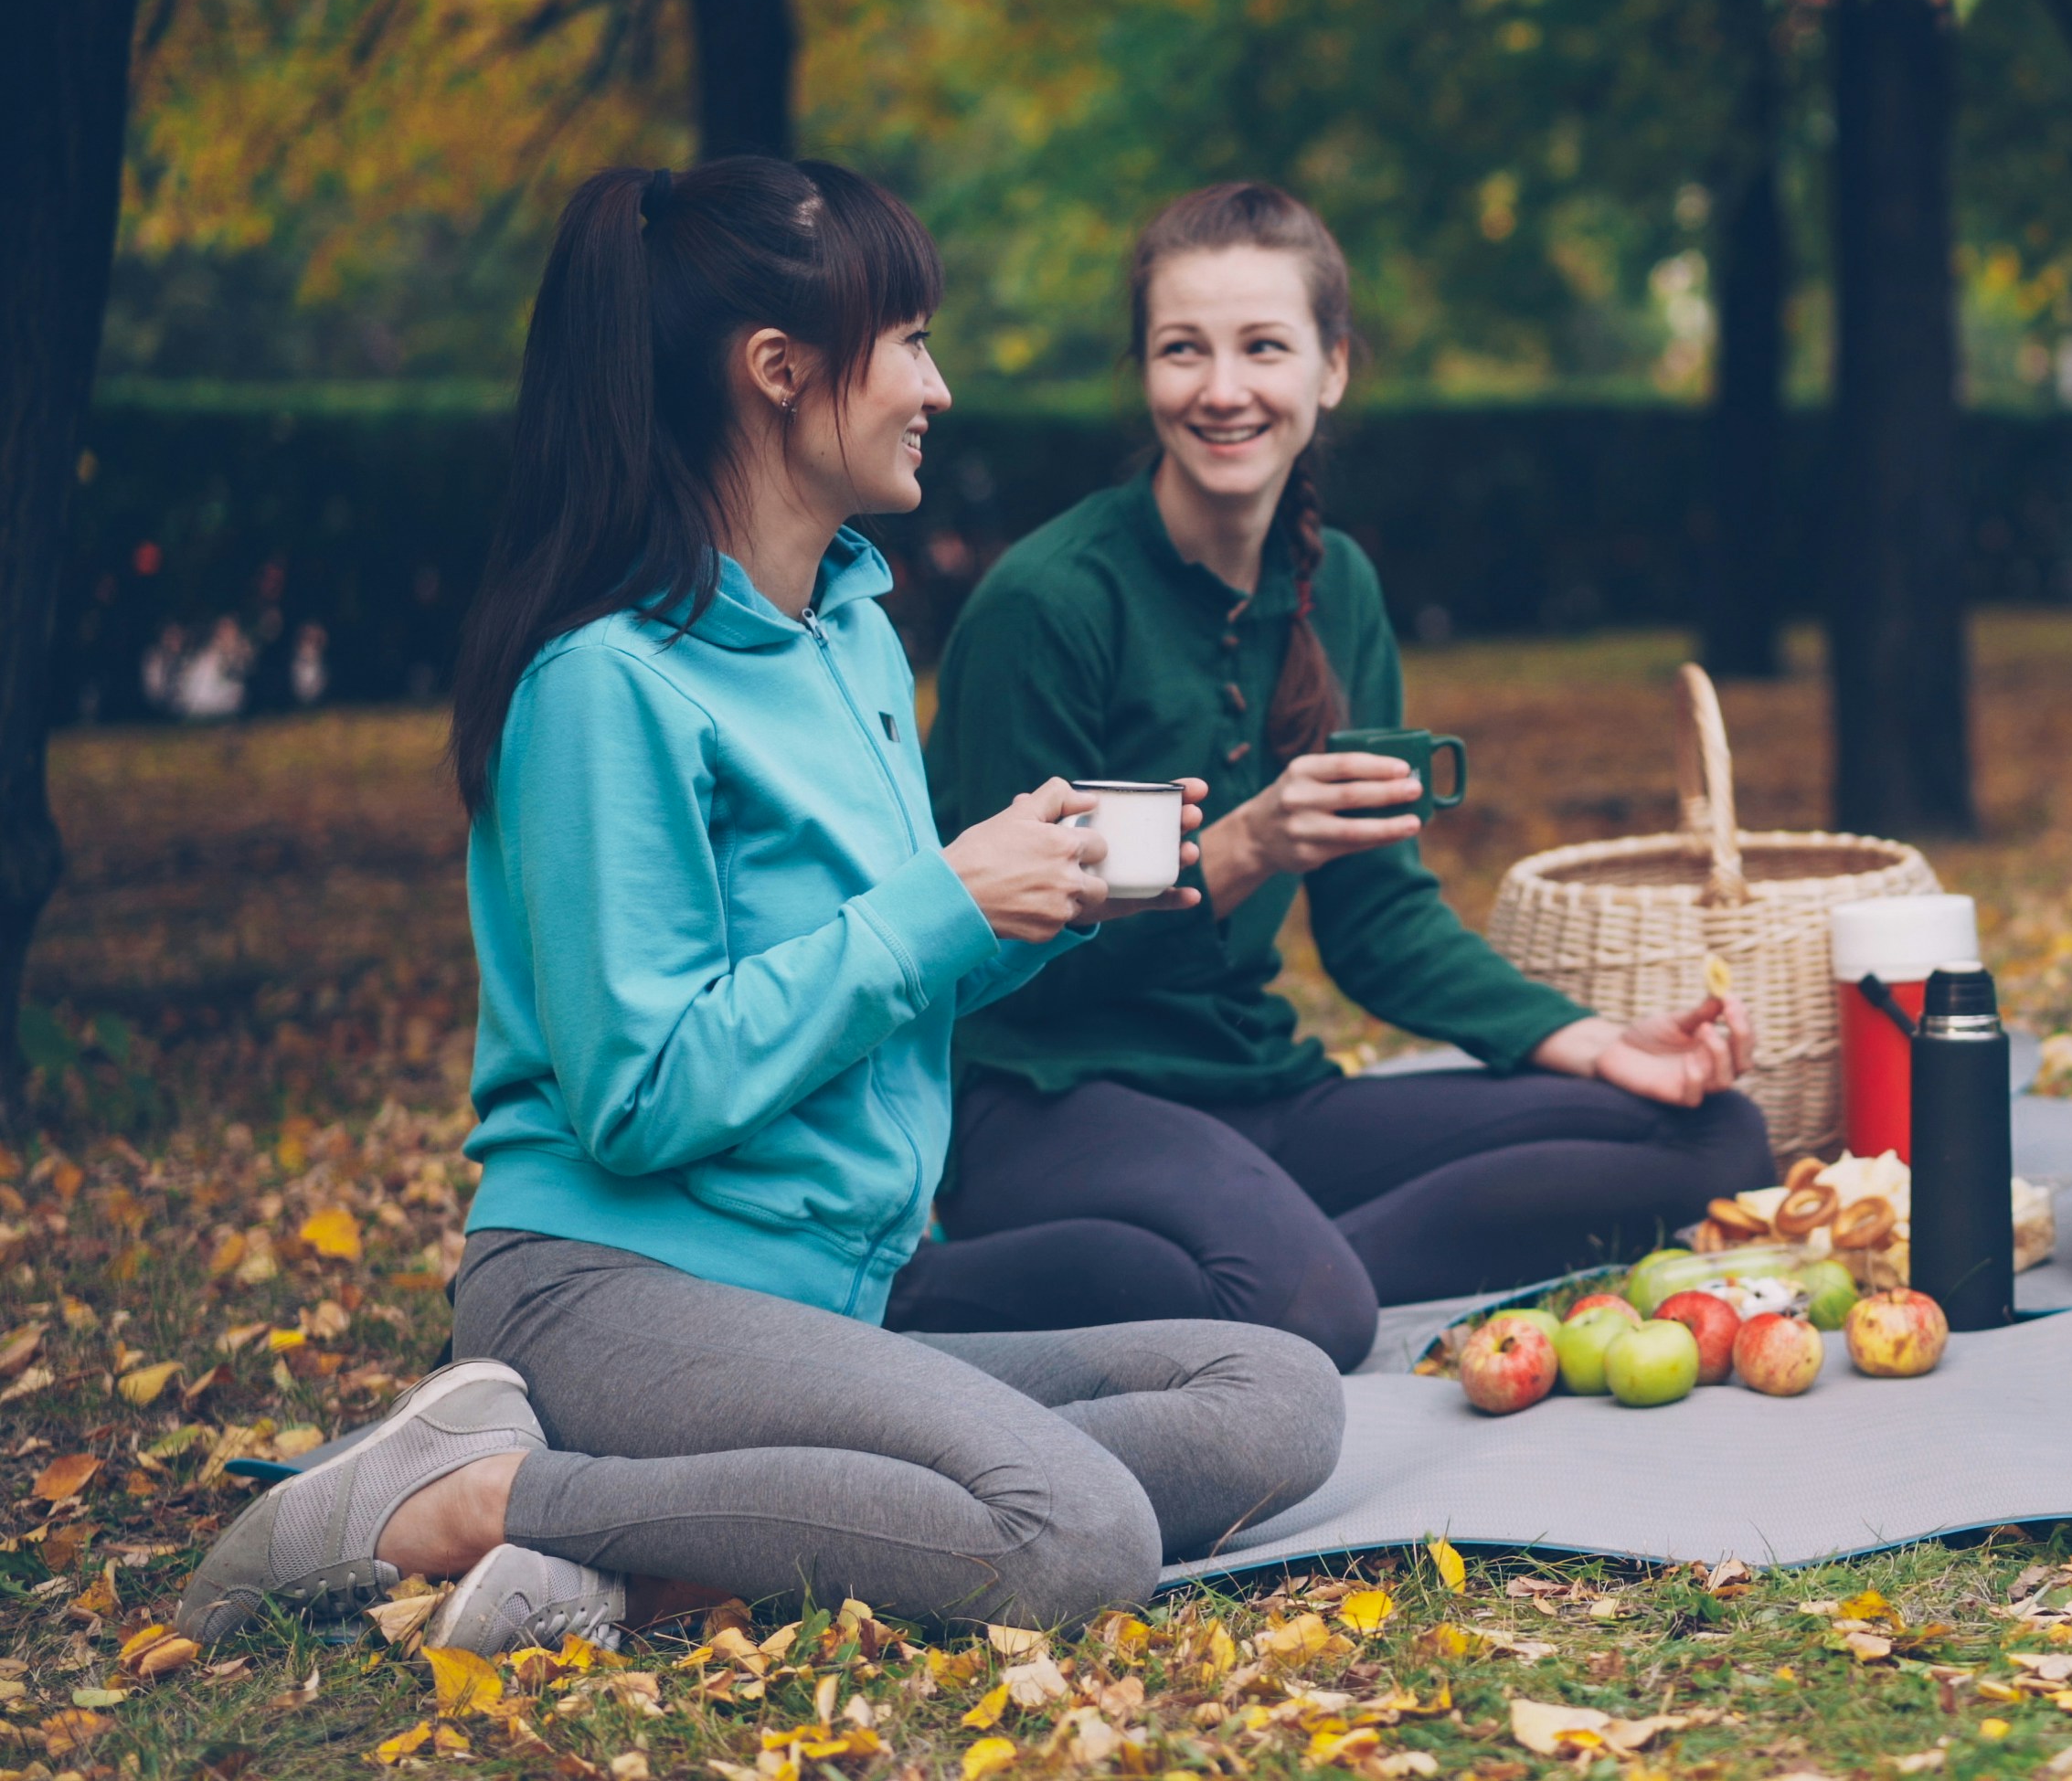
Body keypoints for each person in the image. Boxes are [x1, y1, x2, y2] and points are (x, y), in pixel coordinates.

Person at [176, 158, 1343, 1657]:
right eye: (907, 339)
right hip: (616, 1291)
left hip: (834, 1298)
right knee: (1081, 1532)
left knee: (1275, 1391)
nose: (937, 382)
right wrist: (942, 901)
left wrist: (1028, 895)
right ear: (779, 373)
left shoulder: (847, 632)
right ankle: (463, 1495)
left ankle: (659, 1558)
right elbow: (640, 1091)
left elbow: (875, 984)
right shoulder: (606, 685)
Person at [889, 182, 1769, 1372]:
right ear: (1144, 371)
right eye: (1181, 349)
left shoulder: (1335, 585)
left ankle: (1247, 1260)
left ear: (1332, 368)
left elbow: (1380, 920)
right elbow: (990, 969)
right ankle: (966, 1289)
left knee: (1712, 1136)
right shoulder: (1051, 603)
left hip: (1256, 1088)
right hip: (1043, 1096)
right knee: (1311, 1311)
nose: (1222, 388)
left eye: (1264, 346)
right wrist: (1240, 849)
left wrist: (1597, 1043)